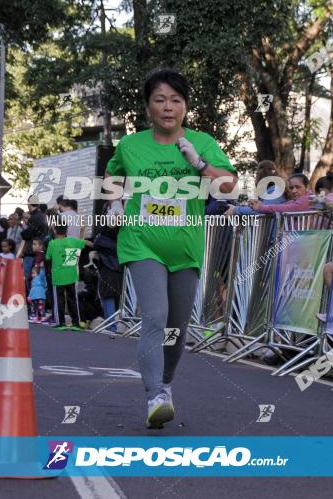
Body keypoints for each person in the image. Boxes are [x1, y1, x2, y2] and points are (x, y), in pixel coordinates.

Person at [105, 68, 237, 428]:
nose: (168, 107)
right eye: (160, 100)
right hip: (142, 242)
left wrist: (199, 163)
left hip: (186, 247)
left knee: (177, 326)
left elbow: (230, 188)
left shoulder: (203, 141)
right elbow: (113, 176)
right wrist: (114, 203)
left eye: (175, 100)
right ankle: (154, 396)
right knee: (155, 317)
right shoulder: (131, 145)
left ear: (185, 106)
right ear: (148, 106)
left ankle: (165, 385)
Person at [90, 200, 124, 333]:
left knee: (107, 293)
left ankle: (111, 325)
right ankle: (112, 323)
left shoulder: (109, 223)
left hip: (109, 261)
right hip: (118, 261)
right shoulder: (124, 223)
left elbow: (99, 239)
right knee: (113, 293)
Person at [45, 220, 86, 330]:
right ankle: (76, 323)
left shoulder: (52, 243)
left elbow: (48, 258)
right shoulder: (73, 241)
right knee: (73, 299)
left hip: (58, 276)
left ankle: (61, 323)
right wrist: (82, 230)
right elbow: (82, 243)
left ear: (55, 230)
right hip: (71, 275)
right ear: (66, 230)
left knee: (59, 300)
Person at [20, 200, 49, 295]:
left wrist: (24, 231)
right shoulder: (42, 216)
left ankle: (32, 299)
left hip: (31, 253)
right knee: (38, 277)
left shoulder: (35, 217)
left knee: (30, 276)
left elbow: (27, 234)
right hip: (39, 252)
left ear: (29, 204)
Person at [250, 173, 317, 214]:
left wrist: (260, 207)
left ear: (307, 187)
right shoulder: (301, 200)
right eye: (291, 188)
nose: (294, 191)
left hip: (303, 236)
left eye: (298, 187)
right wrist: (262, 205)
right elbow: (283, 205)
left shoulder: (308, 199)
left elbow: (283, 208)